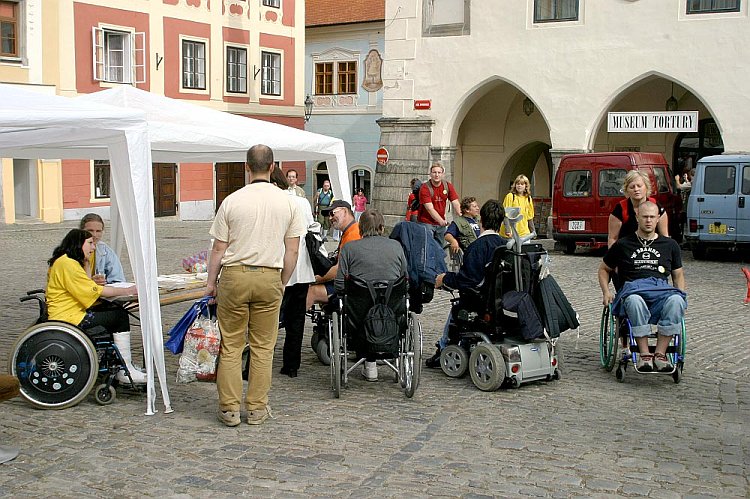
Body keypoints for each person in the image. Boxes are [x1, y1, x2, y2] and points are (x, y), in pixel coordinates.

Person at [206, 144, 306, 427]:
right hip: (269, 275)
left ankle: (229, 409)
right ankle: (258, 408)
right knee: (263, 347)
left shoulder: (232, 200)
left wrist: (211, 283)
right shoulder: (289, 202)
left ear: (247, 167)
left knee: (232, 344)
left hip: (235, 275)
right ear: (273, 167)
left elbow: (217, 249)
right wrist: (283, 281)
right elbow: (293, 250)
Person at [598, 201, 686, 372]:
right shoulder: (623, 244)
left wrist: (681, 294)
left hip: (661, 291)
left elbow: (678, 275)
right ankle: (644, 354)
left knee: (676, 300)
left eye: (652, 217)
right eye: (644, 216)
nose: (648, 220)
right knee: (634, 301)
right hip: (633, 290)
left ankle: (660, 354)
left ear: (658, 219)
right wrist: (606, 292)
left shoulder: (670, 245)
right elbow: (603, 269)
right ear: (637, 217)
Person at [45, 229, 143, 383]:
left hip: (70, 312)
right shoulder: (68, 264)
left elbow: (87, 286)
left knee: (112, 310)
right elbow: (95, 291)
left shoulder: (66, 261)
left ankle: (120, 364)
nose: (93, 247)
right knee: (119, 316)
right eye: (90, 243)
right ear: (79, 244)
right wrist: (127, 290)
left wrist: (86, 262)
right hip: (69, 317)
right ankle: (125, 369)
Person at [427, 200, 506, 367]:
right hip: (502, 299)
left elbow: (467, 280)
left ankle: (444, 347)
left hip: (481, 301)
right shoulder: (505, 245)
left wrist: (444, 279)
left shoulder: (477, 247)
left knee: (457, 306)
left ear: (481, 221)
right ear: (501, 222)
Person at [335, 209, 408, 381]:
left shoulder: (349, 248)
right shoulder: (396, 247)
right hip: (390, 310)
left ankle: (370, 365)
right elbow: (405, 279)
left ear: (360, 228)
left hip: (358, 313)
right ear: (382, 228)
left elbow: (339, 284)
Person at [269, 167, 315, 379]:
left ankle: (253, 365)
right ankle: (291, 365)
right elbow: (312, 229)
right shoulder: (302, 203)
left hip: (278, 266)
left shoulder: (272, 202)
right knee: (296, 320)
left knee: (266, 319)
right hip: (302, 269)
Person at [306, 200, 362, 309]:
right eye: (329, 215)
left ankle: (293, 324)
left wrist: (313, 279)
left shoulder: (353, 234)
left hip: (350, 286)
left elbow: (338, 270)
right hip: (350, 282)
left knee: (311, 292)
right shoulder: (350, 231)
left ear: (345, 211)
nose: (330, 218)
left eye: (332, 213)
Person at [607, 170, 668, 248]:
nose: (636, 189)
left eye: (639, 186)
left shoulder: (656, 206)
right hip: (627, 251)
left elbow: (664, 237)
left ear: (646, 187)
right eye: (632, 187)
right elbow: (613, 238)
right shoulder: (620, 208)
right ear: (627, 190)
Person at [417, 162, 461, 248]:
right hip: (426, 222)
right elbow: (430, 209)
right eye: (434, 172)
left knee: (441, 248)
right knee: (427, 248)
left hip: (440, 224)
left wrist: (461, 215)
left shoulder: (447, 186)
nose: (436, 175)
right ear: (430, 174)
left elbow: (455, 202)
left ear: (443, 174)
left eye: (439, 172)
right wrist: (441, 221)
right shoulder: (425, 188)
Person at [79, 213, 126, 285]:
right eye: (90, 230)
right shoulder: (70, 251)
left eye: (98, 231)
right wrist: (90, 282)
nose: (94, 235)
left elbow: (118, 279)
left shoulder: (106, 251)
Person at [500, 175, 535, 240]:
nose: (519, 186)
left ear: (526, 186)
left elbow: (530, 217)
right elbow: (505, 215)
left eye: (522, 184)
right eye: (517, 184)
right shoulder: (510, 196)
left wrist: (533, 231)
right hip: (511, 233)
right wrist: (508, 230)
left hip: (524, 233)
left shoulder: (528, 198)